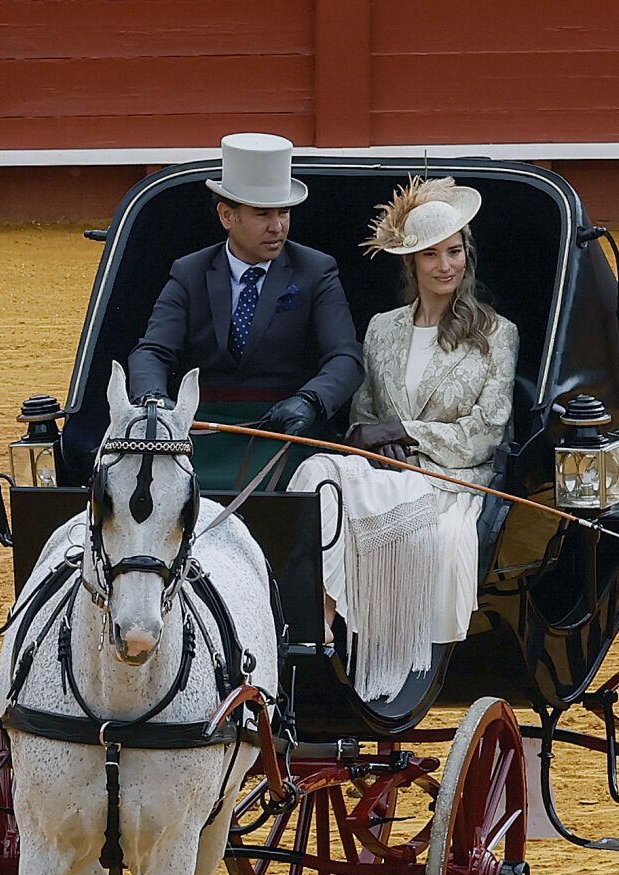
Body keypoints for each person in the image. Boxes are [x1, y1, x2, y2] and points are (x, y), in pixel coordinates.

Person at [289, 177, 520, 701]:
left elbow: (485, 432)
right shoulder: (381, 329)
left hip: (449, 482)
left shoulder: (496, 333)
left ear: (468, 255)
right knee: (319, 471)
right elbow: (365, 417)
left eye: (455, 251)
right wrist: (374, 442)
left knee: (352, 488)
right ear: (411, 262)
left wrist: (406, 433)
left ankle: (370, 653)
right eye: (432, 254)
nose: (445, 265)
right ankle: (319, 621)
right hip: (384, 474)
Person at [126, 133, 362, 443]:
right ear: (227, 215)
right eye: (263, 214)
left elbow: (346, 356)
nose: (277, 227)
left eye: (284, 213)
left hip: (287, 429)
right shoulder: (189, 272)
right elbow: (153, 351)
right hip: (201, 428)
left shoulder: (316, 270)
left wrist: (310, 401)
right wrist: (154, 400)